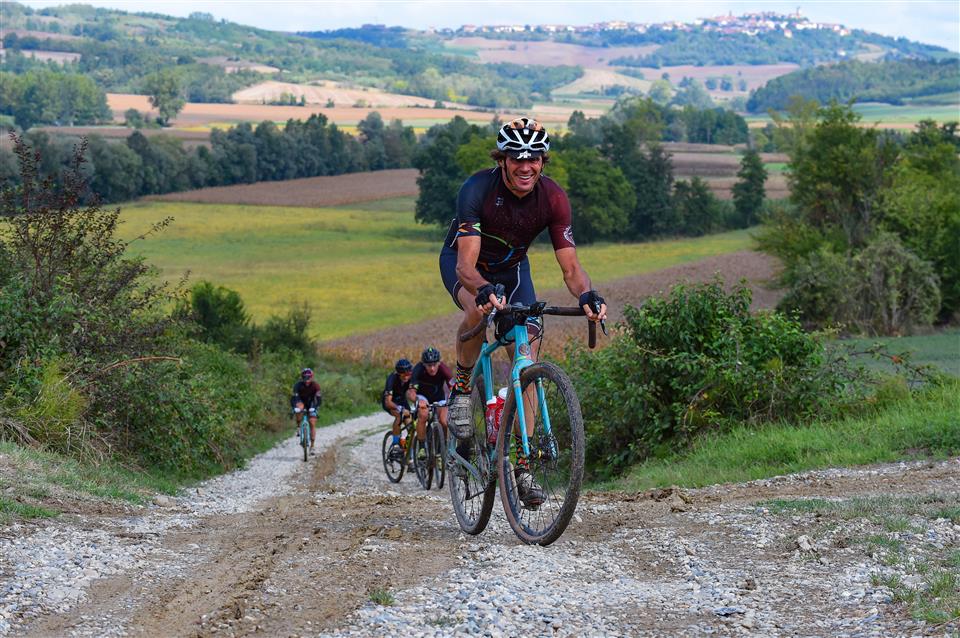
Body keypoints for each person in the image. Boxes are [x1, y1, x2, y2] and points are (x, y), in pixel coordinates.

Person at [438, 117, 607, 508]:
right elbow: (466, 266)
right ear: (503, 161)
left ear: (543, 162)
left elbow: (571, 269)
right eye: (516, 158)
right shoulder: (476, 190)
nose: (525, 166)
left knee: (527, 354)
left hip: (513, 270)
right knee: (478, 315)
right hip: (467, 266)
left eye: (534, 159)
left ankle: (522, 466)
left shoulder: (553, 198)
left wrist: (587, 294)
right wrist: (481, 289)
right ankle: (462, 389)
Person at [410, 346, 453, 446]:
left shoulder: (444, 369)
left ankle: (445, 446)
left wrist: (454, 398)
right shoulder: (418, 369)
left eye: (434, 365)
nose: (432, 368)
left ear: (439, 363)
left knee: (444, 420)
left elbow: (453, 387)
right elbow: (411, 392)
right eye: (429, 365)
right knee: (423, 415)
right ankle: (421, 447)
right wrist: (417, 400)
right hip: (423, 397)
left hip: (439, 398)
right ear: (424, 364)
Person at [382, 358, 417, 458]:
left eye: (408, 374)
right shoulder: (391, 379)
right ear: (398, 373)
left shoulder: (411, 378)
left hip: (401, 400)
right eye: (403, 374)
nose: (406, 376)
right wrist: (400, 409)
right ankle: (396, 443)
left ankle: (408, 456)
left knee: (411, 427)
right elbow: (388, 402)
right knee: (399, 415)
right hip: (391, 402)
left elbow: (414, 392)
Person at [291, 368, 322, 455]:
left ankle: (312, 446)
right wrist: (294, 407)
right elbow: (294, 398)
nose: (307, 380)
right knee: (298, 408)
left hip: (312, 403)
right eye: (305, 378)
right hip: (301, 401)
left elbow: (319, 399)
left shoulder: (316, 386)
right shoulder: (297, 385)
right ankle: (298, 427)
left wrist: (315, 407)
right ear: (302, 378)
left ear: (312, 377)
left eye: (308, 378)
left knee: (312, 422)